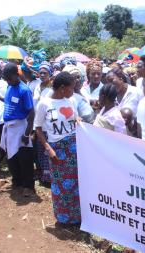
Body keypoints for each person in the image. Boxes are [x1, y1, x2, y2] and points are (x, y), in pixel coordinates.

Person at [34, 71, 80, 225]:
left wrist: (78, 120)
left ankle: (77, 217)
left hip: (74, 148)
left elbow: (76, 120)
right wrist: (48, 148)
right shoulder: (44, 104)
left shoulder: (71, 101)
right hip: (57, 150)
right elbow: (38, 128)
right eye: (71, 88)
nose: (73, 90)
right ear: (62, 88)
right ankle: (63, 218)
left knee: (76, 185)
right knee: (61, 186)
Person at [0, 63, 35, 196]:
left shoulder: (24, 90)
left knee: (24, 158)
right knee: (11, 158)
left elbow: (31, 113)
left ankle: (28, 186)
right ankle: (17, 182)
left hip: (20, 128)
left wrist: (27, 133)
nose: (7, 80)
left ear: (16, 74)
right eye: (5, 78)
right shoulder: (10, 86)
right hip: (9, 128)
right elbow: (10, 102)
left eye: (8, 78)